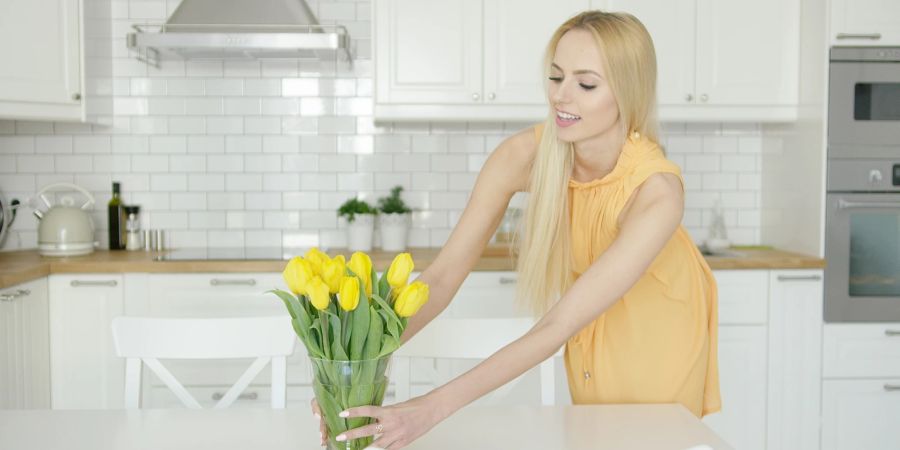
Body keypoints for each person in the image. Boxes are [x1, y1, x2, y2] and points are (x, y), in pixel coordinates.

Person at [313, 10, 720, 449]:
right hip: (591, 333)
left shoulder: (657, 193)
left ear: (628, 91)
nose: (561, 97)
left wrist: (426, 411)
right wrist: (351, 368)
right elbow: (442, 277)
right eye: (555, 77)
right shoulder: (524, 156)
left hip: (659, 337)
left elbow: (555, 327)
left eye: (585, 84)